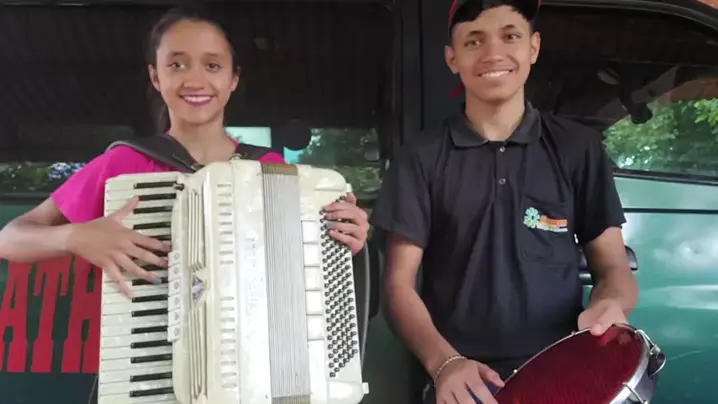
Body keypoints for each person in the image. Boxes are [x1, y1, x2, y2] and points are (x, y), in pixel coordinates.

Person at [369, 1, 639, 403]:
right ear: (452, 58)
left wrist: (611, 302)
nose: (493, 53)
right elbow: (397, 285)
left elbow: (614, 268)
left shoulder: (577, 149)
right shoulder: (421, 158)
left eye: (510, 36)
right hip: (462, 380)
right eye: (473, 41)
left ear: (533, 46)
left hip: (562, 373)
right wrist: (444, 363)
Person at [0, 6, 370, 298]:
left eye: (212, 65)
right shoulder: (122, 164)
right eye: (177, 64)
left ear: (233, 78)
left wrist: (345, 239)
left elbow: (306, 270)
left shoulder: (270, 170)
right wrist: (75, 236)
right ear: (155, 76)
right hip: (144, 357)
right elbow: (10, 238)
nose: (194, 80)